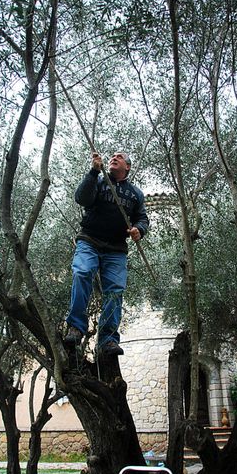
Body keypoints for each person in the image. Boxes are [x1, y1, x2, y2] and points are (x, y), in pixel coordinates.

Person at [64, 151, 149, 356]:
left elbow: (142, 219)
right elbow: (82, 198)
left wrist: (139, 230)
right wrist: (93, 172)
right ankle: (76, 327)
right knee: (82, 272)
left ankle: (107, 340)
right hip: (89, 241)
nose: (114, 157)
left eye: (119, 157)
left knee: (115, 291)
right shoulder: (99, 181)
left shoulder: (135, 194)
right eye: (112, 156)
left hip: (116, 249)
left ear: (127, 167)